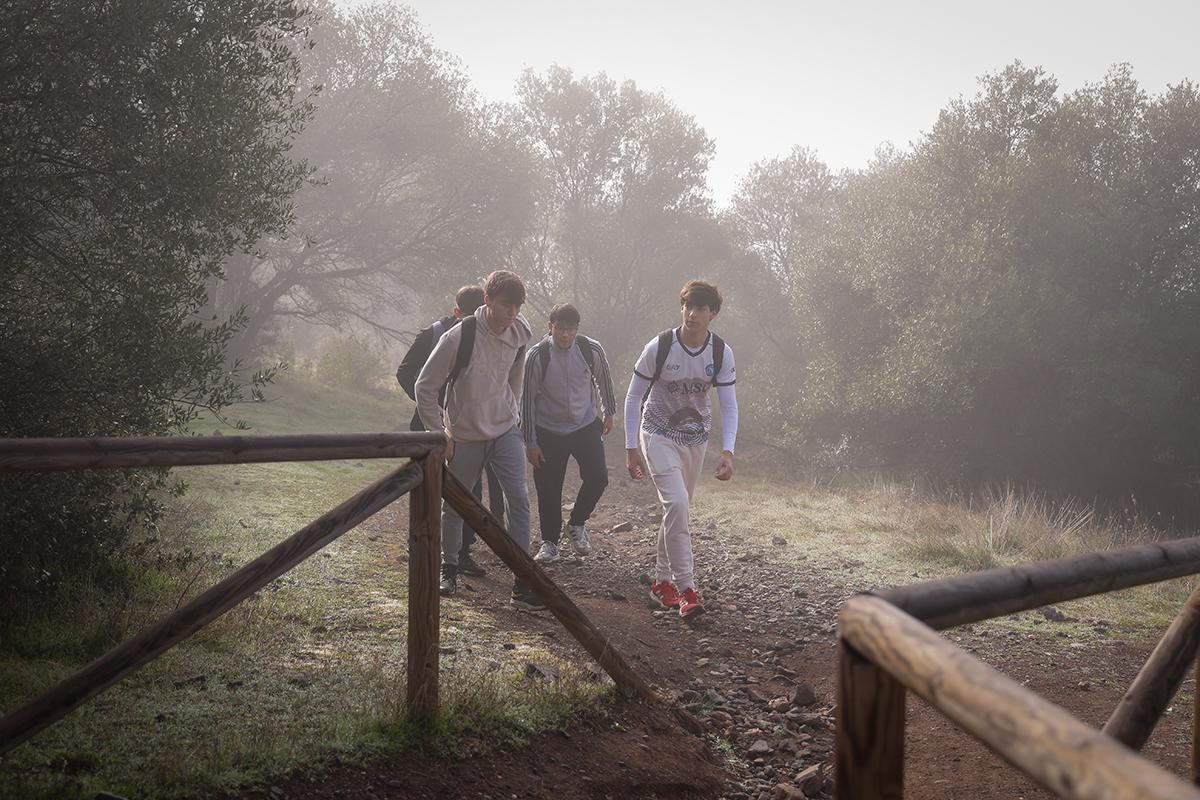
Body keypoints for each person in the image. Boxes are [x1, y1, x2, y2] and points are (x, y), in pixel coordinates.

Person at [414, 270, 542, 608]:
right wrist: (440, 433)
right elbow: (424, 387)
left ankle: (522, 579)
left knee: (519, 501)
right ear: (487, 301)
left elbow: (516, 376)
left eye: (516, 306)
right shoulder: (460, 337)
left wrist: (511, 412)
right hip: (465, 433)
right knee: (456, 505)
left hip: (505, 430)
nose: (511, 313)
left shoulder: (520, 333)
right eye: (505, 305)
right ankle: (449, 568)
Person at [623, 280, 738, 619]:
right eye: (688, 305)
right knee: (676, 503)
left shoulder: (720, 353)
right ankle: (687, 588)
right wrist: (631, 447)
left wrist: (728, 452)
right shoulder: (659, 346)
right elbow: (633, 397)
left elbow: (729, 407)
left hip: (695, 440)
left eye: (701, 308)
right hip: (657, 433)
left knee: (678, 510)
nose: (692, 313)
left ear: (712, 314)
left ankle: (661, 581)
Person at [396, 285, 500, 578]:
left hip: (466, 425)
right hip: (427, 424)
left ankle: (462, 554)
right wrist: (431, 408)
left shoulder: (491, 337)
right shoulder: (431, 334)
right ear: (457, 313)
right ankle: (419, 544)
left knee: (469, 489)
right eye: (467, 316)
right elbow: (405, 372)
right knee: (425, 483)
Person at [521, 303, 617, 563]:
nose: (564, 335)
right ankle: (550, 542)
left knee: (598, 477)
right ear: (550, 328)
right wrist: (530, 441)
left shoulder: (590, 349)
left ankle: (577, 523)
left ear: (576, 329)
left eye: (570, 329)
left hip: (585, 424)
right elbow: (527, 400)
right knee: (548, 488)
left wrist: (609, 412)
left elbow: (603, 379)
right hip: (548, 429)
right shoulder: (537, 356)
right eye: (560, 329)